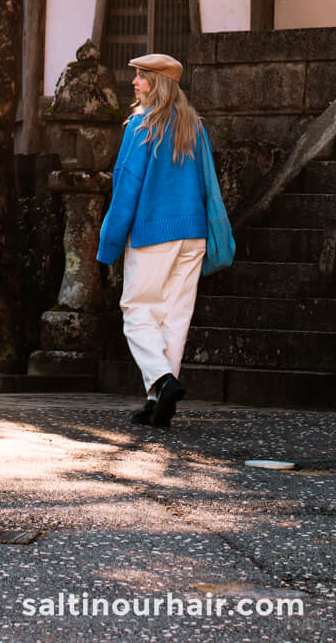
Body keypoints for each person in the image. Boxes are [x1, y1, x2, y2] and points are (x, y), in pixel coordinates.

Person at [96, 51, 226, 429]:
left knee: (137, 311)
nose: (134, 83)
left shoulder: (141, 126)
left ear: (157, 83)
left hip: (153, 234)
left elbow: (126, 188)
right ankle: (158, 402)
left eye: (141, 77)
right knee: (174, 318)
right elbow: (207, 184)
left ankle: (163, 381)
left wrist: (109, 244)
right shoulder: (193, 126)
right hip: (194, 234)